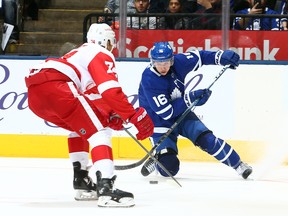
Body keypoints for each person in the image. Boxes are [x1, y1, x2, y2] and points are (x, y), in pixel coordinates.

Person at [24, 23, 154, 208]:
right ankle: (106, 188)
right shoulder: (99, 53)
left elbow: (94, 97)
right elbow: (110, 91)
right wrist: (133, 116)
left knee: (82, 129)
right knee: (100, 133)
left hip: (36, 95)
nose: (112, 47)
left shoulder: (78, 54)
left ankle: (82, 183)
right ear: (107, 40)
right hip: (58, 87)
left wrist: (111, 114)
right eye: (112, 42)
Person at [138, 41, 253, 180]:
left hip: (182, 113)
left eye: (166, 62)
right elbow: (166, 112)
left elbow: (200, 56)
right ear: (152, 62)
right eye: (158, 63)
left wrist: (220, 56)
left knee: (207, 140)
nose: (163, 67)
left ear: (172, 60)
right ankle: (158, 159)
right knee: (169, 168)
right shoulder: (149, 78)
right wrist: (191, 98)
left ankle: (239, 165)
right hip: (159, 122)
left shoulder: (179, 63)